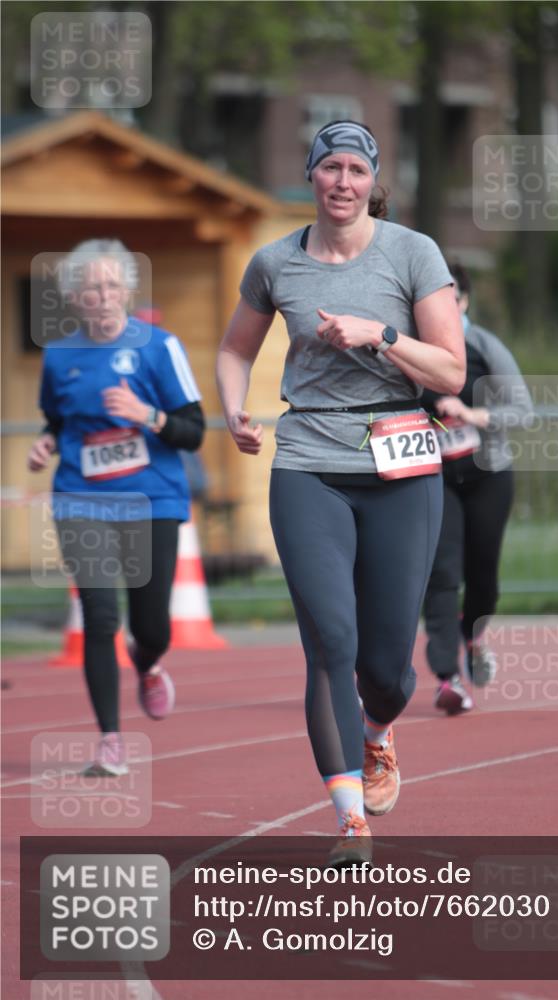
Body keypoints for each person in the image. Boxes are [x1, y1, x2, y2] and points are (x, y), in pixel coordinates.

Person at [216, 120, 465, 864]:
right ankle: (349, 816)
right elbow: (235, 348)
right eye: (330, 168)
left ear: (371, 180)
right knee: (331, 640)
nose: (342, 182)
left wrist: (379, 336)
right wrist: (233, 408)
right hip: (308, 460)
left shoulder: (412, 252)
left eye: (356, 169)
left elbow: (450, 373)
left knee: (385, 667)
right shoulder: (274, 263)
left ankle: (379, 731)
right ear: (312, 175)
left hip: (401, 462)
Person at [27, 239, 205, 775]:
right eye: (89, 288)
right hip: (82, 498)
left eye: (110, 286)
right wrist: (47, 442)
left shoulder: (160, 348)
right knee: (100, 616)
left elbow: (193, 432)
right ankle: (111, 742)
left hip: (152, 499)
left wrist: (146, 415)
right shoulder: (60, 356)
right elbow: (59, 420)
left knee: (152, 629)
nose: (102, 296)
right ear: (74, 299)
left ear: (127, 290)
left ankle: (148, 664)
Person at [421, 263, 533, 714]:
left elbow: (523, 410)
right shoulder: (413, 349)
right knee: (442, 573)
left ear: (463, 302)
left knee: (482, 575)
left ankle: (475, 635)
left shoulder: (485, 347)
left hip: (488, 474)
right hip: (436, 478)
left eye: (449, 298)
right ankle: (447, 677)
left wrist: (471, 416)